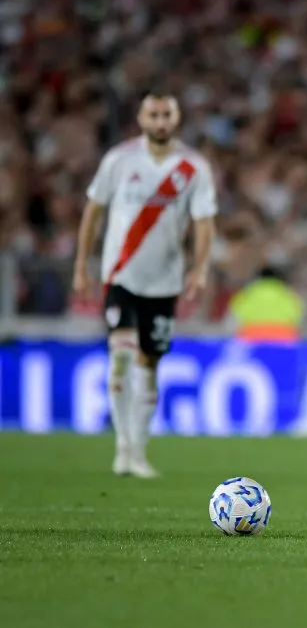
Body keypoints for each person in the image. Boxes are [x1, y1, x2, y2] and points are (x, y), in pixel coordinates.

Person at [73, 91, 218, 478]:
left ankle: (138, 447)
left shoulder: (193, 167)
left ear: (177, 117)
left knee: (149, 363)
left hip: (165, 279)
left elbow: (204, 223)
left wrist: (200, 268)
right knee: (120, 353)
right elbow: (94, 210)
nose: (160, 121)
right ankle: (123, 446)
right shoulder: (119, 160)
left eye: (166, 114)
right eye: (153, 114)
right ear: (140, 117)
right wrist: (81, 265)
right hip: (120, 274)